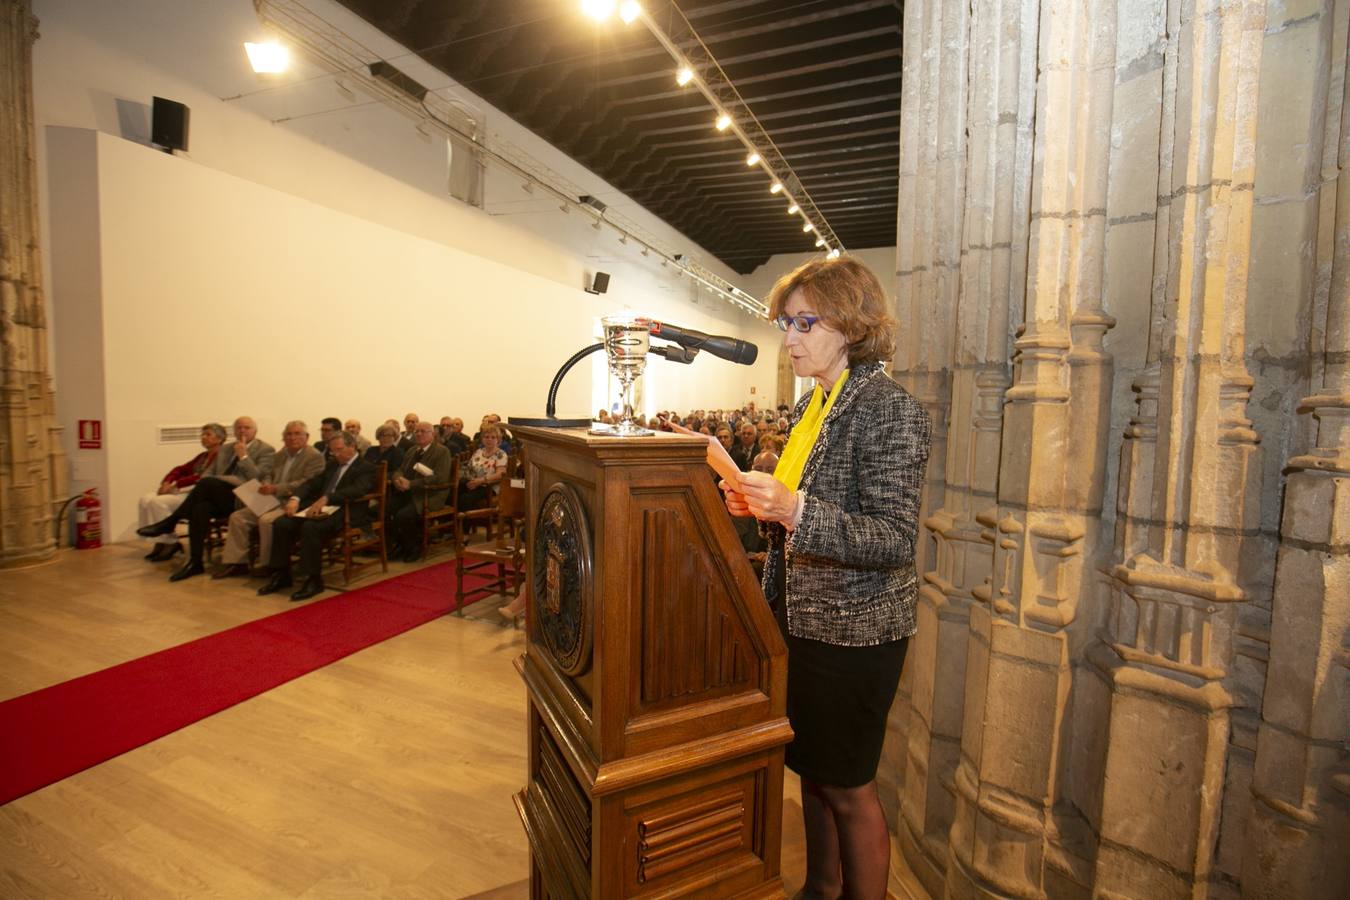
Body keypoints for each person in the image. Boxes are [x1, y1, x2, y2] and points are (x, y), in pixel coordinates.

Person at [720, 257, 931, 900]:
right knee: (810, 772)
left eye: (804, 323)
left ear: (850, 322)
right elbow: (803, 508)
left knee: (847, 786)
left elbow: (893, 538)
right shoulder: (820, 404)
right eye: (788, 324)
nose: (789, 340)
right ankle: (818, 888)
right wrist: (763, 508)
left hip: (856, 632)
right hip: (801, 620)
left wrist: (793, 509)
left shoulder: (889, 409)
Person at [137, 416, 275, 581]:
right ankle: (195, 562)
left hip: (245, 498)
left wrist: (244, 457)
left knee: (208, 483)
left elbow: (256, 479)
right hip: (218, 494)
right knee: (200, 508)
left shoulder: (266, 449)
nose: (242, 431)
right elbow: (208, 473)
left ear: (255, 430)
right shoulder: (226, 449)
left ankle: (171, 522)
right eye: (238, 428)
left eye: (246, 428)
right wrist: (213, 480)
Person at [258, 431, 375, 601]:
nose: (335, 454)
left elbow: (358, 490)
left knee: (310, 527)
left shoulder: (366, 467)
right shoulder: (332, 464)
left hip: (345, 510)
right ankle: (282, 573)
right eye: (333, 451)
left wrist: (328, 498)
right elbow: (311, 483)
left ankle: (313, 579)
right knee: (282, 523)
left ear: (352, 447)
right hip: (319, 508)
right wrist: (295, 498)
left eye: (339, 450)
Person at [214, 420, 324, 578]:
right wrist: (266, 483)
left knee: (266, 520)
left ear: (306, 436)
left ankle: (269, 564)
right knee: (238, 517)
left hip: (293, 501)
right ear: (284, 437)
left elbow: (307, 483)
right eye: (289, 434)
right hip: (270, 499)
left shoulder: (314, 456)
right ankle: (237, 563)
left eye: (297, 434)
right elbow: (268, 474)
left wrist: (276, 488)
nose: (292, 438)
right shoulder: (280, 454)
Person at [137, 422, 226, 562]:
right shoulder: (202, 456)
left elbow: (203, 476)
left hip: (197, 493)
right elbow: (180, 469)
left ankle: (170, 543)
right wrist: (167, 482)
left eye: (208, 434)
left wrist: (175, 485)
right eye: (203, 434)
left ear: (220, 439)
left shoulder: (222, 456)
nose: (203, 437)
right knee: (144, 499)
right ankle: (158, 541)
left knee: (157, 502)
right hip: (183, 489)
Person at [386, 420, 452, 562]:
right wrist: (398, 479)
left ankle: (413, 547)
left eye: (423, 431)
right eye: (417, 431)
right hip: (408, 492)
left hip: (430, 495)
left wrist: (411, 484)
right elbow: (400, 470)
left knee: (403, 516)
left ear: (432, 434)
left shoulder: (441, 451)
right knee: (383, 510)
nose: (419, 434)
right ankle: (399, 544)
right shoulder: (412, 450)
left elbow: (440, 477)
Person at [458, 423, 507, 512]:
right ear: (482, 439)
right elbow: (469, 468)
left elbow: (500, 474)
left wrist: (480, 481)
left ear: (498, 440)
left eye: (493, 437)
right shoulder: (478, 452)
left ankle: (465, 524)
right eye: (486, 437)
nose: (489, 440)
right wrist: (471, 481)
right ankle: (452, 521)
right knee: (454, 491)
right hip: (473, 482)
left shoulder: (501, 454)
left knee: (465, 498)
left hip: (488, 486)